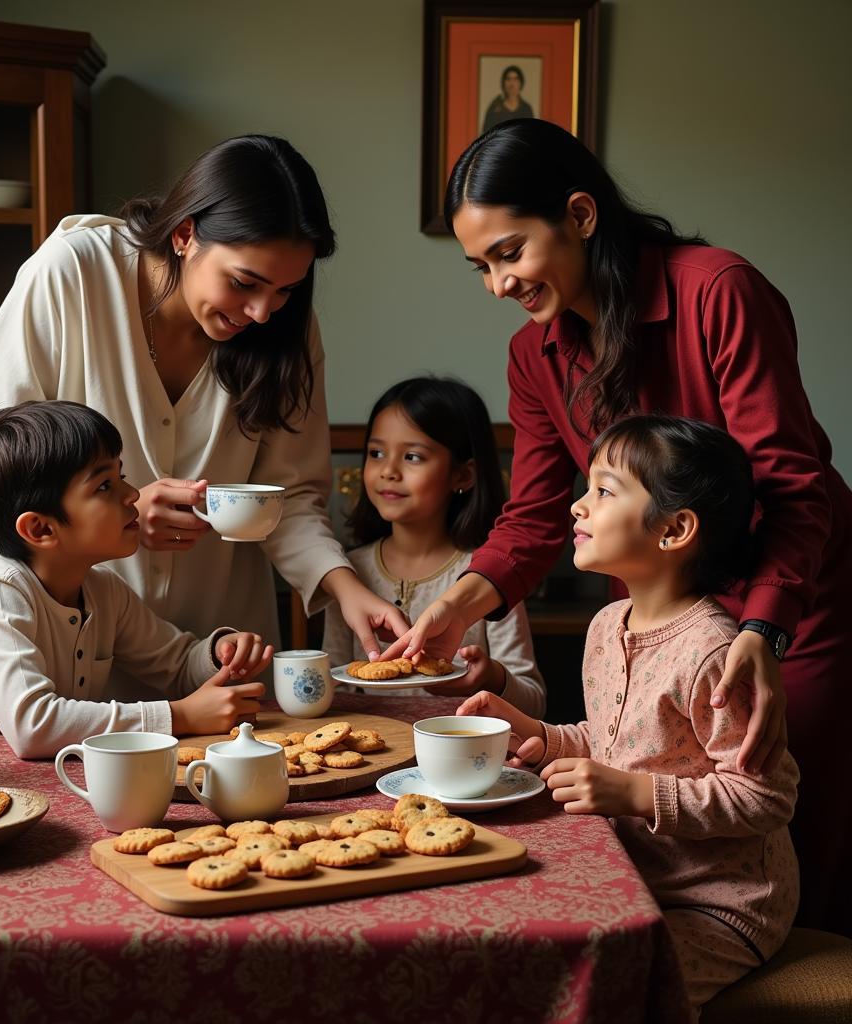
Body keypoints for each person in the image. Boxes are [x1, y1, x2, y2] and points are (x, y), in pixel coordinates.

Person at [383, 118, 851, 933]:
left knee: (794, 837)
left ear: (581, 215)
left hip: (794, 603)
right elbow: (532, 514)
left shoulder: (718, 289)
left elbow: (792, 481)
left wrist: (765, 633)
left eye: (509, 252)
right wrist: (455, 607)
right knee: (652, 824)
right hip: (663, 613)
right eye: (479, 266)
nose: (498, 284)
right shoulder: (535, 357)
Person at [0, 134, 407, 689]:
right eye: (243, 283)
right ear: (185, 234)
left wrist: (344, 586)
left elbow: (292, 498)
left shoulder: (285, 328)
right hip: (66, 654)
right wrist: (126, 499)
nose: (261, 312)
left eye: (285, 289)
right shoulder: (73, 274)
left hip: (221, 655)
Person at [459, 415, 799, 1015]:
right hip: (631, 879)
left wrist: (635, 793)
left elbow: (767, 797)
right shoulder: (605, 626)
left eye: (604, 491)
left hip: (718, 904)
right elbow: (617, 740)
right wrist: (538, 734)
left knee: (610, 992)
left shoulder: (715, 653)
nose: (576, 507)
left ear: (674, 529)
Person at [0, 401, 272, 759]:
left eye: (120, 477)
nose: (132, 494)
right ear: (41, 528)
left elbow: (177, 664)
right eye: (104, 486)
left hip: (53, 780)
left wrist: (220, 653)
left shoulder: (103, 590)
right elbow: (34, 725)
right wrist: (180, 716)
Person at [323, 376, 544, 711]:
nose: (389, 471)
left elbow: (533, 702)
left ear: (462, 475)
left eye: (412, 456)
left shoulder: (489, 579)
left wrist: (493, 678)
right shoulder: (346, 573)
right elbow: (335, 686)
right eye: (376, 453)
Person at [481, 65, 534, 133]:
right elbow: (486, 135)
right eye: (508, 79)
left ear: (520, 83)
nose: (511, 83)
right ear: (503, 83)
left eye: (515, 79)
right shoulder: (495, 109)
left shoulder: (526, 109)